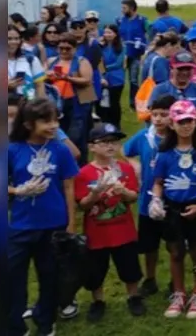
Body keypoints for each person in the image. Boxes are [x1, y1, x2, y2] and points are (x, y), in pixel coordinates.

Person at [8, 98, 79, 336]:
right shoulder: (11, 149)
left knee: (50, 277)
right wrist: (18, 190)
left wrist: (71, 223)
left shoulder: (60, 150)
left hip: (53, 225)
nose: (53, 126)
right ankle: (15, 325)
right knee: (13, 278)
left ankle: (45, 323)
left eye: (56, 120)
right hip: (20, 226)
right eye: (46, 121)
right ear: (28, 124)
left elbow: (69, 187)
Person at [149, 101, 196, 319]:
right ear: (172, 124)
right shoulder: (165, 154)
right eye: (181, 122)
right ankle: (179, 293)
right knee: (176, 251)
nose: (186, 126)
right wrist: (156, 201)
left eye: (189, 121)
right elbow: (158, 181)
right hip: (173, 208)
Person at [74, 123, 146, 321]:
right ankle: (97, 300)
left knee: (129, 266)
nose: (110, 146)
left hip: (124, 231)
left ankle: (134, 296)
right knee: (95, 270)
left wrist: (123, 192)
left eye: (114, 142)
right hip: (97, 234)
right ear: (91, 147)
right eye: (104, 142)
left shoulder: (125, 169)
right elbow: (83, 205)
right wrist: (96, 193)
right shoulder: (84, 173)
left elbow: (133, 197)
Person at [122, 94, 174, 298]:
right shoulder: (144, 137)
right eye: (155, 115)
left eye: (164, 114)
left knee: (173, 243)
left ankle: (173, 280)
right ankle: (150, 278)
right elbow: (125, 150)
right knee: (149, 244)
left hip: (172, 198)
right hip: (147, 200)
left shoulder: (177, 137)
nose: (159, 119)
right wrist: (134, 164)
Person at [47, 36, 95, 162]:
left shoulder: (81, 61)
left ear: (74, 48)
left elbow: (87, 80)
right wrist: (48, 75)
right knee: (58, 133)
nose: (63, 51)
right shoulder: (52, 60)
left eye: (67, 49)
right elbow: (42, 76)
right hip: (56, 102)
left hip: (76, 103)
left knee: (76, 135)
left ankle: (80, 163)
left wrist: (67, 78)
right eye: (61, 48)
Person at [149, 51, 196, 126]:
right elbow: (154, 117)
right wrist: (195, 114)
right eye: (180, 69)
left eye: (188, 69)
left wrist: (173, 115)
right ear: (171, 69)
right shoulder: (160, 90)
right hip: (167, 136)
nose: (184, 72)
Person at [117, 0, 150, 109]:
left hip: (136, 55)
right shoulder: (120, 20)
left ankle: (134, 102)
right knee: (119, 78)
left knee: (133, 79)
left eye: (124, 8)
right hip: (122, 55)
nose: (122, 10)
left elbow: (151, 33)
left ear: (131, 8)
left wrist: (147, 49)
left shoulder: (142, 20)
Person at [97, 24, 126, 126]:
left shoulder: (121, 47)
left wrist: (104, 68)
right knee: (103, 102)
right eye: (105, 32)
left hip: (116, 77)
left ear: (115, 34)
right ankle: (105, 123)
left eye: (110, 32)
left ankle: (115, 124)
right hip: (103, 76)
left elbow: (118, 63)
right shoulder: (101, 46)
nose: (107, 35)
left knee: (114, 102)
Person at [8, 25, 46, 100]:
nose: (13, 42)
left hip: (28, 105)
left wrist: (39, 107)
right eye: (9, 39)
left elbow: (40, 86)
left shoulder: (31, 58)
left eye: (16, 38)